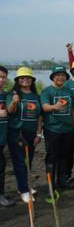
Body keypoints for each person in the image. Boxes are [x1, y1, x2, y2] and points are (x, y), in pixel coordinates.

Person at [6, 67, 42, 203]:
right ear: (17, 80)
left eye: (28, 78)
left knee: (29, 161)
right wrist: (14, 101)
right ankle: (24, 190)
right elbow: (10, 111)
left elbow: (39, 117)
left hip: (31, 133)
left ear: (32, 80)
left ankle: (24, 185)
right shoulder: (14, 94)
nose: (25, 80)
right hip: (16, 133)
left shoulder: (36, 96)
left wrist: (39, 134)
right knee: (20, 161)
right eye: (22, 78)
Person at [41, 66, 74, 193]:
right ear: (52, 77)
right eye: (57, 75)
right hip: (52, 129)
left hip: (68, 129)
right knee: (52, 156)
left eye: (63, 75)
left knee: (66, 156)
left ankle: (63, 179)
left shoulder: (69, 91)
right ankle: (51, 183)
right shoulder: (47, 91)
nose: (60, 77)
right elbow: (44, 107)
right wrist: (54, 107)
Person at [0, 66, 15, 207]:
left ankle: (1, 193)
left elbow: (9, 112)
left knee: (2, 165)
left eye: (3, 77)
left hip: (2, 138)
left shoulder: (5, 95)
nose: (1, 80)